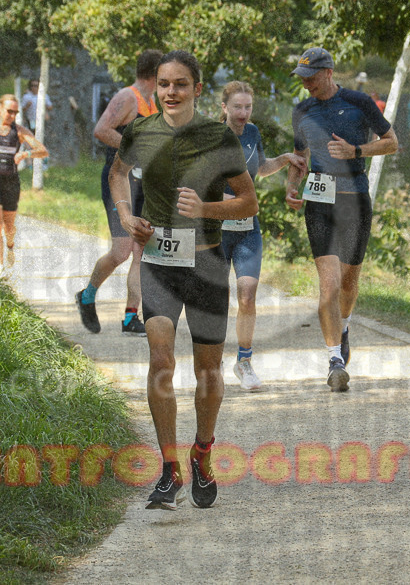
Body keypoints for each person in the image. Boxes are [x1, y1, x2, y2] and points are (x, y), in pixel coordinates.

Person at [109, 50, 257, 510]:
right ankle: (169, 468)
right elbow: (117, 173)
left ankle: (202, 451)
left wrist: (207, 209)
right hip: (158, 265)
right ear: (155, 87)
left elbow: (249, 203)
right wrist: (127, 214)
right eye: (164, 84)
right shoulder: (141, 130)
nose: (170, 92)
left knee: (208, 373)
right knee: (160, 363)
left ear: (196, 88)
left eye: (180, 84)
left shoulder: (218, 138)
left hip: (207, 266)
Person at [285, 47, 398, 392]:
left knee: (348, 285)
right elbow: (299, 156)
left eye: (311, 78)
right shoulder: (301, 110)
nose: (306, 85)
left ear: (329, 72)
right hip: (319, 201)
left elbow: (392, 143)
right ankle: (335, 359)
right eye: (301, 79)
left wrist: (357, 151)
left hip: (354, 201)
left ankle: (344, 326)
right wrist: (291, 187)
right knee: (330, 285)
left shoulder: (359, 102)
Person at [218, 81, 306, 391]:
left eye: (248, 107)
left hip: (247, 230)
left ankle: (244, 362)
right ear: (225, 108)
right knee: (216, 298)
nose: (243, 113)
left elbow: (258, 169)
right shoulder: (213, 137)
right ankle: (210, 361)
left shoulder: (253, 133)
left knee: (247, 295)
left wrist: (283, 160)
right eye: (237, 107)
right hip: (216, 230)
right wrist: (228, 202)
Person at [76, 49, 162, 337]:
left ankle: (130, 317)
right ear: (156, 72)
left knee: (142, 250)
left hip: (143, 183)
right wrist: (133, 151)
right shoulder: (128, 97)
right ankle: (87, 295)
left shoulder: (152, 102)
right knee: (122, 251)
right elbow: (101, 130)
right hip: (119, 180)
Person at [0, 94, 49, 277]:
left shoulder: (20, 131)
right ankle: (0, 266)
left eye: (15, 112)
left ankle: (10, 245)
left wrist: (25, 155)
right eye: (9, 111)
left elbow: (43, 150)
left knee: (9, 226)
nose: (12, 115)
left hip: (11, 182)